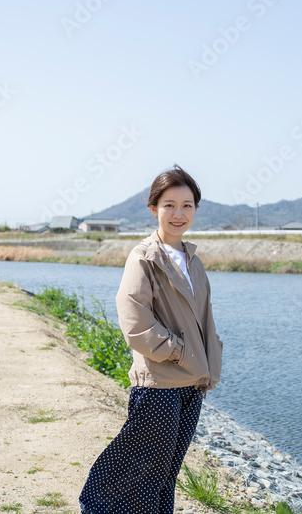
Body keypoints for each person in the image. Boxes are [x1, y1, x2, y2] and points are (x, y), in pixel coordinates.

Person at [79, 164, 223, 514]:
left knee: (165, 473)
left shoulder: (193, 260)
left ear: (196, 210)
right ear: (153, 208)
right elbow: (135, 323)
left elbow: (204, 319)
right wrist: (180, 352)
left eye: (187, 205)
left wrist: (209, 361)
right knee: (142, 472)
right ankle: (95, 506)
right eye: (169, 205)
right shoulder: (143, 257)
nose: (178, 213)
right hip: (159, 382)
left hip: (193, 382)